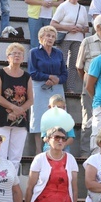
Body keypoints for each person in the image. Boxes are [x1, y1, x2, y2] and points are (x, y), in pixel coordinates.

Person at [0, 43, 33, 171]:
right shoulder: (0, 73)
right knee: (1, 154)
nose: (17, 56)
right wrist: (14, 108)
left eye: (19, 54)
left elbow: (30, 99)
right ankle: (0, 183)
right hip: (2, 117)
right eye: (13, 53)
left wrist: (19, 111)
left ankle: (11, 184)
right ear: (7, 57)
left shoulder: (27, 76)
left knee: (16, 157)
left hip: (20, 119)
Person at [76, 15, 101, 156]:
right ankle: (86, 154)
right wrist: (88, 82)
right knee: (89, 120)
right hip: (90, 88)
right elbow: (79, 67)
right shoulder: (87, 42)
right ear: (98, 27)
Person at [30, 26, 67, 154]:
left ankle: (56, 146)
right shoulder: (34, 52)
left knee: (57, 117)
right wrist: (47, 77)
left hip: (56, 88)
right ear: (41, 38)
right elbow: (32, 72)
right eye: (48, 36)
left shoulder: (59, 53)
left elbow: (64, 74)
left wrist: (57, 79)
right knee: (39, 117)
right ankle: (38, 150)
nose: (50, 38)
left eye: (52, 36)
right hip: (40, 87)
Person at [52, 0, 89, 91]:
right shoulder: (63, 6)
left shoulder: (82, 8)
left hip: (78, 39)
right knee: (61, 62)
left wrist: (80, 29)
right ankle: (59, 86)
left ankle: (70, 88)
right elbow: (53, 23)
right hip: (65, 38)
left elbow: (86, 27)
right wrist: (67, 28)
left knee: (74, 64)